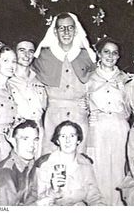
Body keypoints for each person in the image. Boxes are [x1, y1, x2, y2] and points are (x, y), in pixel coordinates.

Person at [32, 12, 97, 154]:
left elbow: (96, 84)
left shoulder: (87, 56)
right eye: (62, 28)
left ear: (76, 30)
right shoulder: (44, 56)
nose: (66, 32)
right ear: (55, 32)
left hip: (79, 115)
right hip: (53, 116)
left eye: (70, 28)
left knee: (79, 159)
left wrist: (89, 102)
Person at [86, 37, 130, 205]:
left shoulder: (125, 79)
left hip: (119, 125)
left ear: (118, 57)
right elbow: (81, 102)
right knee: (98, 167)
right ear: (98, 53)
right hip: (97, 126)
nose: (110, 56)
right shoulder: (89, 78)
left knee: (119, 167)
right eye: (106, 52)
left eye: (114, 53)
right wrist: (89, 114)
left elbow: (130, 108)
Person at [27, 120, 106, 206]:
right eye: (63, 136)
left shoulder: (85, 164)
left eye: (72, 136)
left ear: (78, 140)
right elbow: (38, 201)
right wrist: (53, 190)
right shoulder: (45, 164)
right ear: (57, 141)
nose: (67, 140)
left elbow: (94, 197)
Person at [8, 40, 48, 157]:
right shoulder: (7, 79)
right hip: (17, 135)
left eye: (31, 51)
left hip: (38, 136)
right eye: (22, 50)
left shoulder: (40, 79)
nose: (27, 55)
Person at [0, 119, 40, 206]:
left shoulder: (31, 165)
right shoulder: (5, 173)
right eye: (25, 139)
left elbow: (32, 198)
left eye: (35, 139)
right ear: (13, 142)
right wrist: (38, 205)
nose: (32, 145)